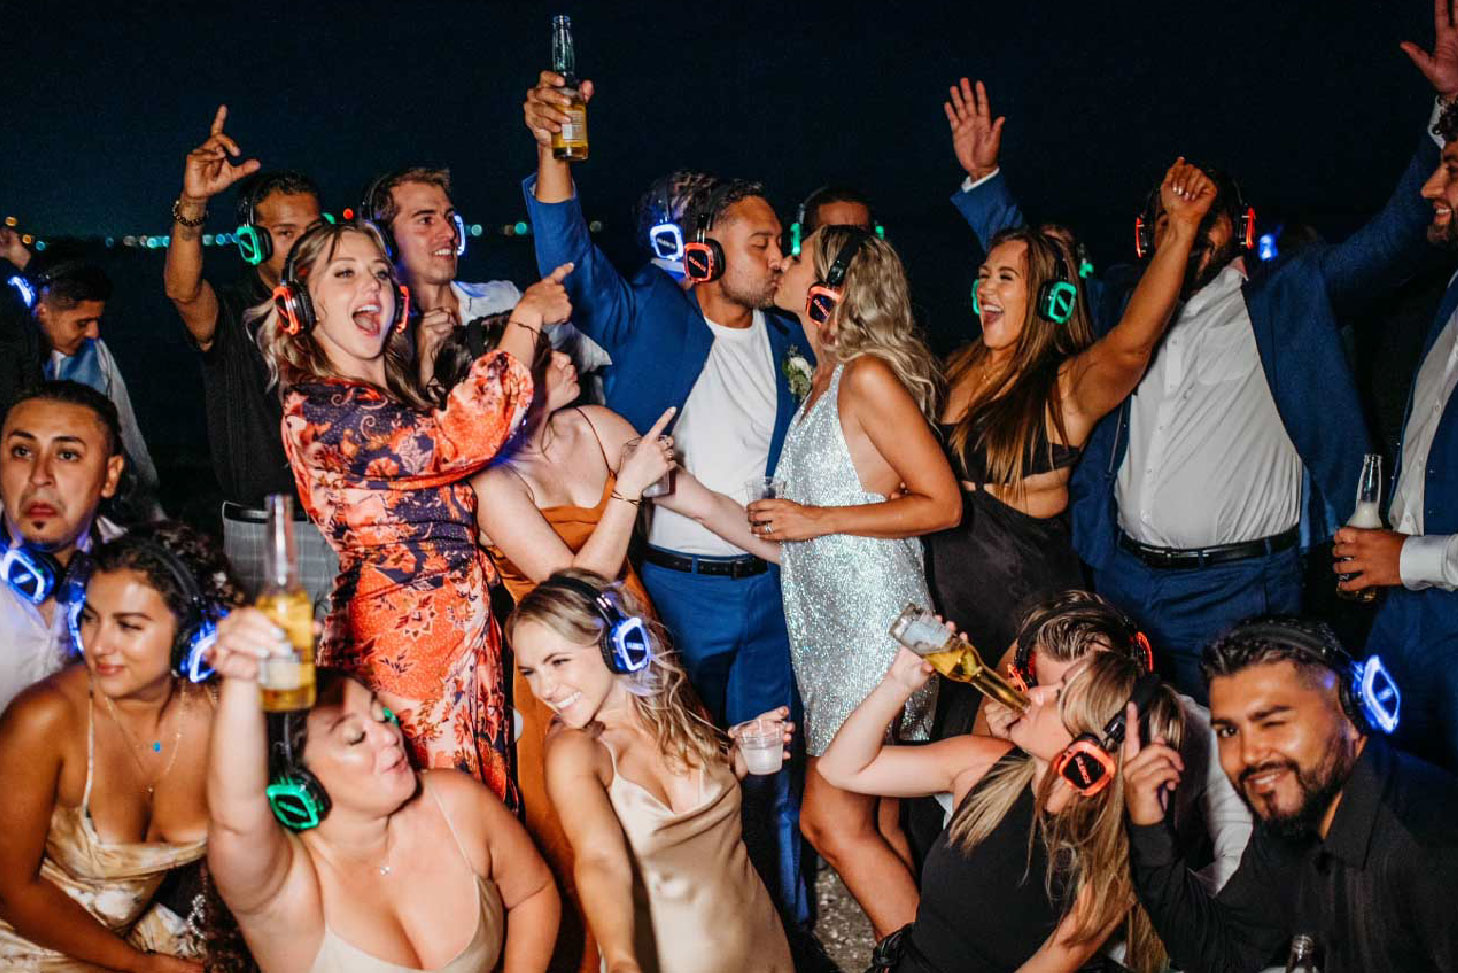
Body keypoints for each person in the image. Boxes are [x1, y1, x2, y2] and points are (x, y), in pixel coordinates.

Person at [946, 36, 1454, 701]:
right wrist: (986, 185)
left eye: (1201, 216)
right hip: (1124, 581)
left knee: (1247, 773)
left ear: (1235, 227)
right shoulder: (1115, 306)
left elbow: (1394, 238)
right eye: (1166, 220)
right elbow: (1037, 279)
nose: (1183, 231)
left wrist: (1446, 108)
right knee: (1139, 759)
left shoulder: (1292, 299)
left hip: (1245, 591)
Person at [523, 72, 808, 924]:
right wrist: (552, 149)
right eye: (763, 242)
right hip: (676, 590)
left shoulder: (794, 336)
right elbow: (561, 247)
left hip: (770, 590)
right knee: (685, 771)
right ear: (707, 250)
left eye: (780, 241)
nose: (779, 255)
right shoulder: (652, 311)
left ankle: (782, 924)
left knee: (775, 769)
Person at [435, 316, 768, 972]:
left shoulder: (599, 424)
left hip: (640, 653)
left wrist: (799, 558)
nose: (562, 358)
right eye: (542, 354)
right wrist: (629, 488)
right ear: (504, 385)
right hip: (561, 676)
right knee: (591, 843)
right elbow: (575, 586)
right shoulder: (491, 479)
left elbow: (704, 505)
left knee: (690, 805)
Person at [254, 219, 553, 801]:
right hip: (399, 652)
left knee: (474, 817)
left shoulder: (382, 398)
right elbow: (463, 436)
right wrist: (526, 321)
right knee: (429, 816)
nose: (372, 286)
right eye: (344, 274)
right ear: (299, 308)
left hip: (460, 644)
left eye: (381, 274)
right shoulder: (320, 408)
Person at [929, 161, 1214, 737]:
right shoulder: (955, 368)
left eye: (1006, 279)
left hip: (1026, 623)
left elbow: (1132, 345)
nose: (985, 287)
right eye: (984, 274)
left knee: (1005, 776)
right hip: (951, 618)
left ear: (1048, 301)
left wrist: (1180, 231)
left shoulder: (1063, 388)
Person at [742, 225, 957, 936]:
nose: (779, 263)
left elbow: (942, 502)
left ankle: (930, 961)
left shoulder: (866, 376)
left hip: (874, 629)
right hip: (831, 632)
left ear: (828, 286)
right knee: (879, 816)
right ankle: (900, 948)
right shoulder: (822, 380)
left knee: (828, 820)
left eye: (794, 256)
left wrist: (815, 517)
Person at [205, 609, 559, 973]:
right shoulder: (286, 892)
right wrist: (241, 682)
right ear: (299, 787)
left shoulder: (455, 802)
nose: (389, 736)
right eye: (355, 738)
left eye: (382, 716)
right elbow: (234, 827)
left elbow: (532, 892)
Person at [820, 643, 1184, 973]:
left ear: (1093, 749)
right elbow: (841, 769)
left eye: (1058, 698)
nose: (1036, 693)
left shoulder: (1110, 872)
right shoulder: (983, 764)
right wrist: (897, 684)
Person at [1124, 616, 1458, 972]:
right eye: (1229, 731)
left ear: (1353, 709)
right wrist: (1150, 830)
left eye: (1273, 722)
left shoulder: (1432, 849)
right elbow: (1223, 955)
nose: (1249, 754)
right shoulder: (1292, 817)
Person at [507, 569, 793, 973]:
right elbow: (599, 858)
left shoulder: (668, 704)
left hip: (757, 941)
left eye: (558, 662)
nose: (545, 689)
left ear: (615, 645)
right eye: (530, 672)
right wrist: (622, 956)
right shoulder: (575, 749)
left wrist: (738, 757)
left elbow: (703, 808)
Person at [0, 522, 242, 970]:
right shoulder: (44, 718)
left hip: (139, 943)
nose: (98, 645)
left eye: (128, 626)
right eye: (89, 618)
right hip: (22, 944)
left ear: (191, 632)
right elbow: (12, 894)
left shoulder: (225, 711)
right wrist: (139, 966)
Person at [163, 106, 338, 606]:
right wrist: (193, 202)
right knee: (275, 680)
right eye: (286, 233)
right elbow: (182, 289)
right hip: (266, 535)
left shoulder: (341, 307)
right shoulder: (234, 311)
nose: (305, 244)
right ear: (251, 243)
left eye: (312, 228)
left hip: (348, 521)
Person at [1335, 76, 1458, 771]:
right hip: (1403, 624)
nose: (1429, 188)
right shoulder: (1449, 292)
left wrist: (1403, 557)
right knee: (1386, 809)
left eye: (1453, 171)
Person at [974, 591, 1251, 895]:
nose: (1051, 703)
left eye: (1087, 692)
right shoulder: (1022, 732)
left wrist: (1158, 906)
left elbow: (1244, 869)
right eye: (1052, 694)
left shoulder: (1201, 731)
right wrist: (1001, 759)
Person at [361, 165, 610, 396]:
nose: (450, 233)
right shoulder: (381, 337)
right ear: (384, 240)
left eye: (449, 218)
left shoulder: (502, 298)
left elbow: (590, 348)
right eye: (426, 221)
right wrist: (423, 369)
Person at [1, 381, 125, 712]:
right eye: (22, 452)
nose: (40, 476)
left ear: (110, 476)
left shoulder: (139, 574)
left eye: (67, 455)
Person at [20, 257, 159, 512]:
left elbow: (127, 430)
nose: (94, 333)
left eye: (96, 321)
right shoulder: (13, 366)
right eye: (82, 323)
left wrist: (149, 504)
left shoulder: (98, 354)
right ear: (42, 313)